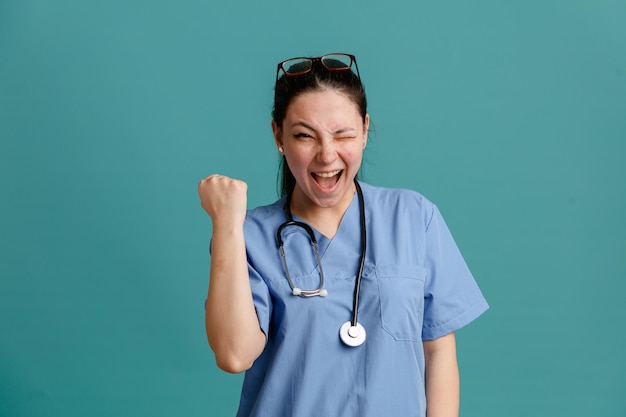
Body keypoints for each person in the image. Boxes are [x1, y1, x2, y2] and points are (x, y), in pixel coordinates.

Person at [198, 53, 488, 417]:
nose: (326, 155)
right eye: (305, 136)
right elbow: (234, 354)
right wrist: (226, 221)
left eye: (343, 134)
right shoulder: (249, 236)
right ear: (279, 136)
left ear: (365, 130)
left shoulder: (414, 218)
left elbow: (439, 350)